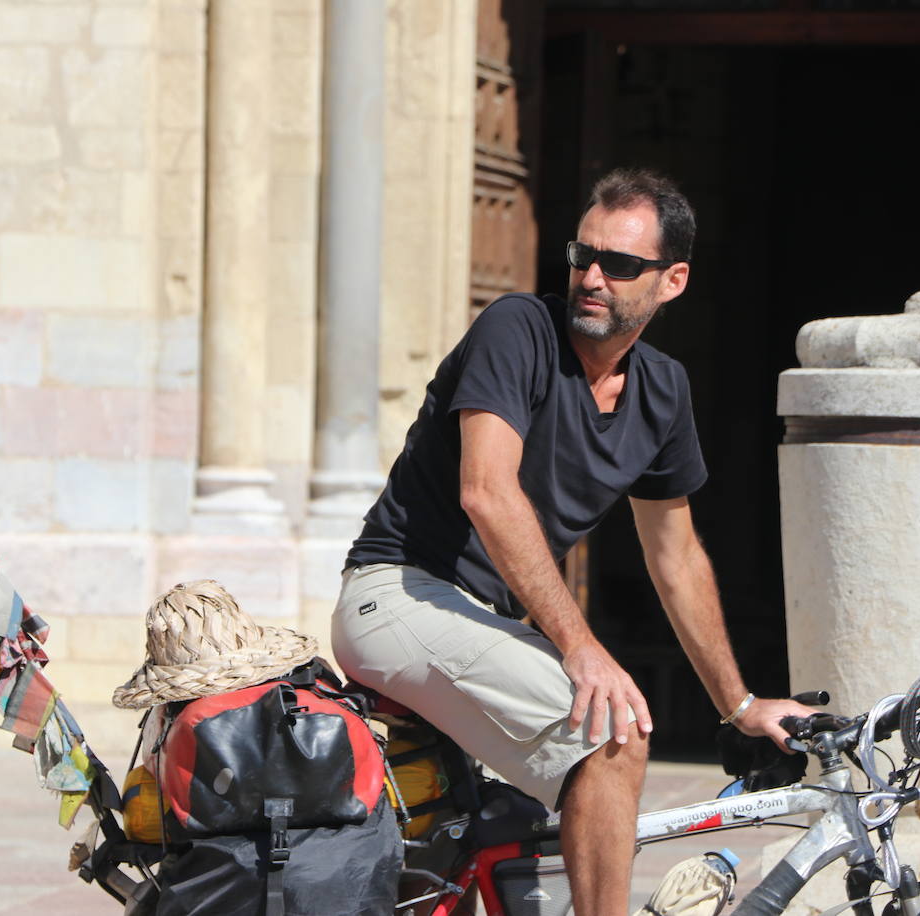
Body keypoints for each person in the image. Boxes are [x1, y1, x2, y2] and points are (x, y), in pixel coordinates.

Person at [331, 168, 813, 916]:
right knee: (613, 737)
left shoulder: (662, 391)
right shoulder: (517, 328)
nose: (591, 277)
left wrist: (739, 704)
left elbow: (676, 558)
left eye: (619, 265)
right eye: (582, 255)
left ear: (673, 280)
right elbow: (487, 491)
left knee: (531, 833)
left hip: (482, 622)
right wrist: (580, 645)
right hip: (396, 594)